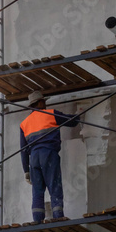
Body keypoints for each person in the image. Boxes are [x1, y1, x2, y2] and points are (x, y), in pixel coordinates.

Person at [20, 91, 80, 222]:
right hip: (48, 154)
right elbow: (71, 121)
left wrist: (26, 170)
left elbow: (23, 150)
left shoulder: (24, 124)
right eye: (44, 102)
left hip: (34, 158)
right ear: (40, 102)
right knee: (54, 185)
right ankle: (58, 215)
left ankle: (37, 218)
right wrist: (80, 114)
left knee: (37, 190)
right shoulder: (50, 114)